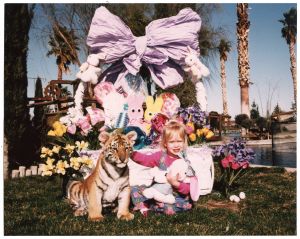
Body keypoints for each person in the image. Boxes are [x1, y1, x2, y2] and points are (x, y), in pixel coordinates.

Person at [130, 120, 193, 216]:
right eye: (172, 142)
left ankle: (156, 206)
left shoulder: (185, 163)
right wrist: (131, 153)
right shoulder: (160, 156)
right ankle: (144, 206)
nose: (176, 145)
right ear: (165, 143)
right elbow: (145, 159)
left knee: (171, 206)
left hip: (174, 197)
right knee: (134, 189)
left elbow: (189, 188)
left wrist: (176, 184)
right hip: (156, 190)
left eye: (179, 141)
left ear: (184, 142)